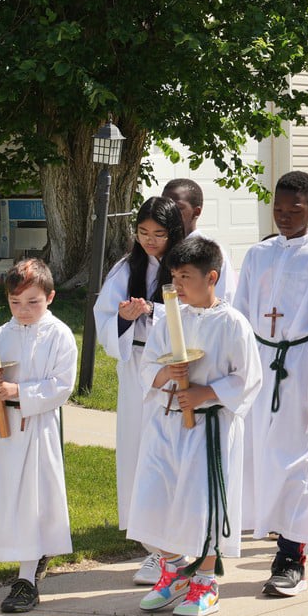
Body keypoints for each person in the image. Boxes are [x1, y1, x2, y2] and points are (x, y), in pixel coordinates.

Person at [130, 236, 263, 616]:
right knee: (153, 499)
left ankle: (205, 580)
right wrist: (165, 374)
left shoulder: (233, 323)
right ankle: (173, 570)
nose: (177, 285)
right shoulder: (170, 318)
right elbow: (146, 368)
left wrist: (206, 392)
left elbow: (248, 379)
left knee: (200, 504)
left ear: (212, 278)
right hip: (167, 422)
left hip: (209, 428)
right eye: (173, 276)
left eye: (185, 276)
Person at [235, 170, 308, 598]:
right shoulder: (257, 256)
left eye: (294, 210)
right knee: (258, 458)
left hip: (299, 370)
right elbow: (240, 315)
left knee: (298, 462)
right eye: (278, 209)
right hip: (259, 363)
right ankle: (268, 529)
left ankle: (291, 554)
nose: (284, 217)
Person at [92, 195, 184, 584]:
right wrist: (123, 317)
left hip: (170, 368)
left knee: (168, 452)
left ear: (173, 232)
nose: (150, 241)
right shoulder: (125, 267)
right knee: (136, 449)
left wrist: (152, 310)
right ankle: (152, 547)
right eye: (143, 232)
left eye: (159, 234)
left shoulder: (183, 265)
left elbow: (197, 309)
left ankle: (177, 541)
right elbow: (103, 316)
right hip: (135, 367)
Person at [0, 259, 77, 615]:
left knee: (30, 502)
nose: (24, 310)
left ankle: (26, 579)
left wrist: (19, 391)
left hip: (35, 428)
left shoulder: (59, 335)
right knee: (6, 500)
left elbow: (61, 386)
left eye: (33, 301)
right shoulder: (1, 335)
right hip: (3, 432)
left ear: (51, 297)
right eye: (16, 303)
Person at [161, 178, 237, 302]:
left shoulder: (210, 251)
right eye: (165, 206)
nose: (169, 213)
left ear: (196, 212)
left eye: (178, 208)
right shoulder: (155, 247)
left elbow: (225, 298)